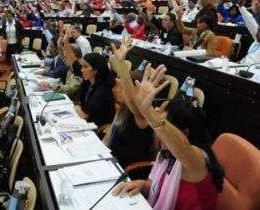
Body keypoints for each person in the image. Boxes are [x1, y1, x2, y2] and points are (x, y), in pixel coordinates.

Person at [112, 53, 224, 209]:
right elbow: (154, 183)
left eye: (163, 127)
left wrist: (149, 112)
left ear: (184, 133)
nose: (157, 134)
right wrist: (143, 184)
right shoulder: (166, 154)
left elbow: (181, 145)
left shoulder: (196, 160)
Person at [75, 53, 115, 127]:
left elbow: (84, 114)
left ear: (96, 69)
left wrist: (77, 108)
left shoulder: (104, 88)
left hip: (98, 128)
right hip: (86, 123)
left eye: (85, 67)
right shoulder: (88, 82)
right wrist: (78, 107)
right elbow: (78, 101)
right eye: (82, 66)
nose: (82, 70)